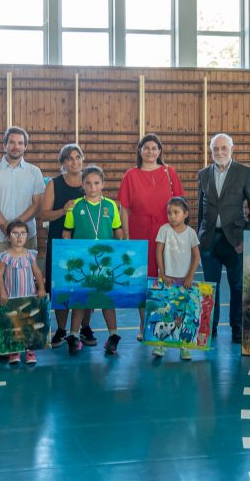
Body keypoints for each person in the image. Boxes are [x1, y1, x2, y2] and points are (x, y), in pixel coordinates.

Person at [196, 133, 250, 344]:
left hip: (235, 241)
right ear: (211, 151)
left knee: (237, 286)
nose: (220, 152)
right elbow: (200, 209)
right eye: (216, 149)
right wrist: (199, 237)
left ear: (232, 149)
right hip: (209, 240)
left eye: (224, 148)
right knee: (209, 287)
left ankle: (237, 327)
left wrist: (247, 238)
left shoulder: (244, 172)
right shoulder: (203, 174)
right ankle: (209, 327)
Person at [118, 133, 184, 341]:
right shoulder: (131, 174)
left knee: (170, 277)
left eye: (154, 148)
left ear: (160, 151)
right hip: (140, 234)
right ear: (140, 151)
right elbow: (123, 208)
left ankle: (172, 323)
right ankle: (144, 323)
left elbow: (180, 205)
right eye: (146, 148)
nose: (150, 151)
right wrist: (127, 236)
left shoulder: (169, 172)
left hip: (167, 232)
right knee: (143, 280)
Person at [62, 165, 125, 355]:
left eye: (97, 183)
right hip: (83, 261)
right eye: (88, 183)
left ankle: (113, 335)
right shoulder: (75, 206)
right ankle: (73, 335)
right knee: (80, 298)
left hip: (105, 261)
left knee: (106, 299)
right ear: (82, 184)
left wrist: (121, 245)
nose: (92, 187)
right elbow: (67, 233)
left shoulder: (111, 206)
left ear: (103, 184)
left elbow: (118, 231)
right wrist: (69, 250)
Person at [36, 143, 94, 348]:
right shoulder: (54, 184)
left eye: (78, 157)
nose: (75, 162)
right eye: (70, 158)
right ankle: (61, 329)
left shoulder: (89, 182)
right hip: (60, 242)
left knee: (86, 286)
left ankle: (84, 327)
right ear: (63, 163)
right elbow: (43, 214)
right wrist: (63, 210)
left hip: (85, 242)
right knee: (60, 286)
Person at [0, 126, 46, 260]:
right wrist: (4, 225)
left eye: (20, 143)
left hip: (26, 235)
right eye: (11, 142)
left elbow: (37, 204)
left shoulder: (35, 172)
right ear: (4, 145)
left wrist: (16, 227)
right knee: (0, 277)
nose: (15, 146)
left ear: (25, 146)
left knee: (25, 277)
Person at [152, 197, 201, 361]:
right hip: (168, 280)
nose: (172, 216)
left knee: (185, 315)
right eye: (169, 213)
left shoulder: (191, 233)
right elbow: (158, 252)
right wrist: (162, 273)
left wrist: (190, 276)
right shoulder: (164, 230)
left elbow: (196, 257)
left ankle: (185, 347)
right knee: (166, 313)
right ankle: (160, 344)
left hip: (185, 282)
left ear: (185, 214)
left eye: (176, 212)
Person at [0, 220, 46, 365]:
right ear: (8, 237)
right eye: (15, 233)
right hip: (12, 297)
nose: (19, 237)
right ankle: (14, 351)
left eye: (23, 233)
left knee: (28, 322)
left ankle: (30, 350)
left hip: (28, 297)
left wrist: (41, 288)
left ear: (27, 236)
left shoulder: (30, 255)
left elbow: (37, 272)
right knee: (14, 324)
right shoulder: (5, 256)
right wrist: (3, 292)